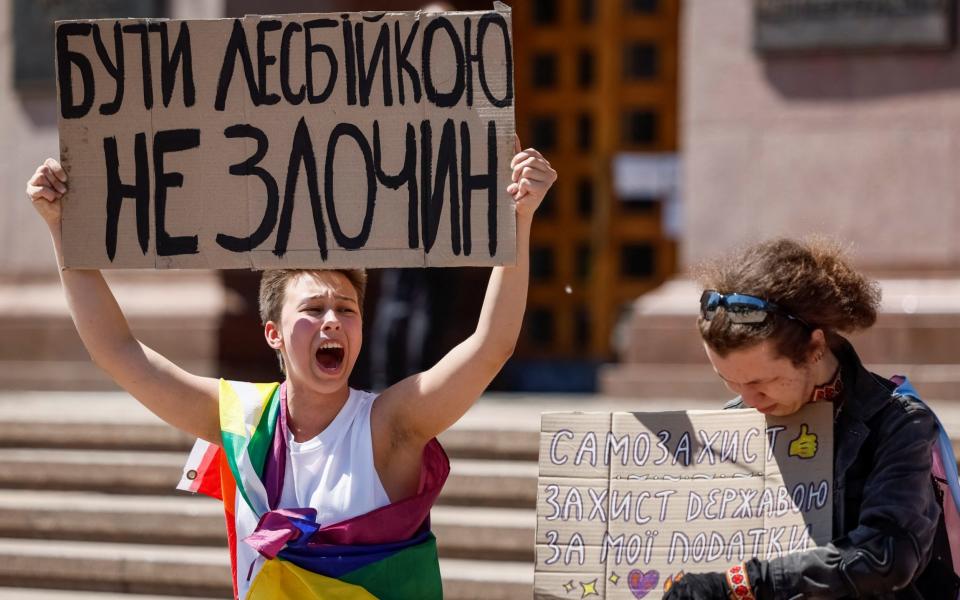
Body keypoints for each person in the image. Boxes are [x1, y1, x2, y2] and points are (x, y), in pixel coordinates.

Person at [25, 138, 556, 599]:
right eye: (312, 310)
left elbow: (490, 347)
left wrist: (521, 217)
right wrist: (62, 230)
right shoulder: (242, 420)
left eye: (346, 310)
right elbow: (119, 353)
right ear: (273, 333)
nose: (332, 321)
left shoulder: (391, 425)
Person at [665, 237, 957, 600]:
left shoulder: (899, 423)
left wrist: (744, 583)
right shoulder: (735, 424)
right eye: (729, 382)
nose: (748, 402)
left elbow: (886, 556)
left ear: (815, 348)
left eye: (761, 382)